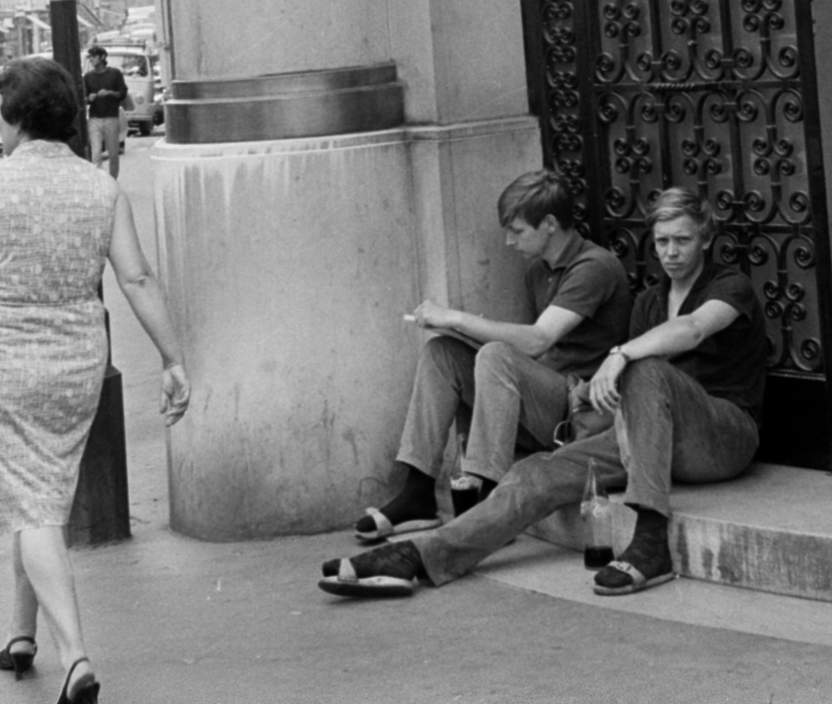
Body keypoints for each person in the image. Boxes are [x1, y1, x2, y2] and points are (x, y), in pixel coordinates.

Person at [320, 186, 766, 599]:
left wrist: (621, 355)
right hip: (649, 437)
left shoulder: (730, 286)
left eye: (682, 241)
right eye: (662, 241)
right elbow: (631, 395)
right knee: (535, 473)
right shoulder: (650, 302)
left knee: (644, 367)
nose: (670, 252)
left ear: (705, 240)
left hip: (720, 436)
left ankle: (651, 542)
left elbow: (691, 329)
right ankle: (420, 556)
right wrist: (594, 396)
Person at [0, 57, 190, 704]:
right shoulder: (100, 190)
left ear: (18, 118)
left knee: (28, 505)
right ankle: (21, 633)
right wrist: (172, 358)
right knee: (39, 491)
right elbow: (136, 280)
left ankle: (75, 656)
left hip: (2, 364)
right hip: (77, 362)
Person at [351, 168, 631, 545]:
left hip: (577, 411)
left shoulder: (594, 267)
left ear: (550, 224)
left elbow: (537, 340)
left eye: (517, 231)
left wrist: (456, 317)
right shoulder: (538, 271)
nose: (508, 242)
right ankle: (417, 491)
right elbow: (539, 350)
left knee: (497, 355)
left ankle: (485, 496)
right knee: (443, 352)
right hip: (544, 399)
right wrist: (460, 332)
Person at [83, 44, 132, 179]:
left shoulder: (115, 73)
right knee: (96, 153)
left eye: (94, 56)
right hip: (94, 118)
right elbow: (83, 98)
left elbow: (123, 93)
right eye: (90, 57)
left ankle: (113, 181)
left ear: (102, 57)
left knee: (113, 154)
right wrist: (89, 98)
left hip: (111, 117)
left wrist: (110, 93)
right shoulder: (87, 77)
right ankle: (99, 182)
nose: (91, 59)